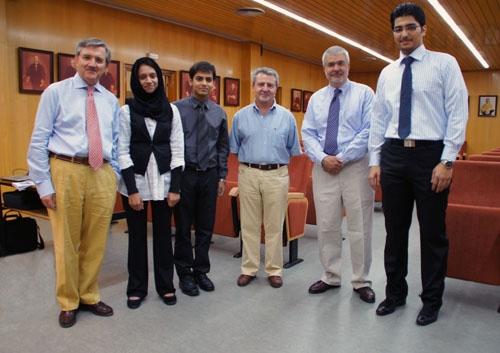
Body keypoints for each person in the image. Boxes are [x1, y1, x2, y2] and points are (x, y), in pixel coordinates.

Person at [368, 3, 468, 326]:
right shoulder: (387, 73)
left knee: (432, 233)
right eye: (398, 29)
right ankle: (395, 294)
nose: (404, 34)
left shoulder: (444, 64)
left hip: (431, 157)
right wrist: (375, 160)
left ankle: (431, 300)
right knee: (394, 230)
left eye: (411, 27)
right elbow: (378, 119)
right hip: (394, 154)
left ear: (424, 30)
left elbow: (457, 112)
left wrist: (447, 160)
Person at [27, 38, 121, 328]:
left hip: (101, 173)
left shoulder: (111, 100)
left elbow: (116, 143)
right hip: (66, 168)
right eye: (87, 57)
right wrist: (43, 184)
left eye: (99, 60)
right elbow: (39, 139)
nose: (93, 63)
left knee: (96, 241)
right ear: (75, 60)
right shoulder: (55, 92)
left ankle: (89, 294)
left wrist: (114, 176)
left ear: (106, 66)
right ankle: (68, 301)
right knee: (67, 241)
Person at [301, 46, 376, 303]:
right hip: (324, 168)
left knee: (360, 225)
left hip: (355, 166)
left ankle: (361, 280)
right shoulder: (316, 98)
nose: (336, 68)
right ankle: (331, 275)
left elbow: (369, 131)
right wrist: (323, 158)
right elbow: (308, 133)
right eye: (331, 64)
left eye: (340, 63)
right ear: (324, 68)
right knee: (327, 225)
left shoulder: (365, 94)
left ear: (348, 66)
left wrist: (341, 157)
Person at [118, 57, 184, 309]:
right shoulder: (126, 111)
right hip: (136, 183)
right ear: (136, 80)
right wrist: (132, 191)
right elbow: (122, 151)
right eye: (143, 76)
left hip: (165, 182)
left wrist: (175, 187)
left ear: (160, 78)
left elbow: (178, 149)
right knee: (136, 238)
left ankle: (166, 286)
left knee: (163, 237)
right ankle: (136, 288)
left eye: (153, 76)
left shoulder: (171, 110)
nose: (149, 80)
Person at [229, 67, 302, 288]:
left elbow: (293, 148)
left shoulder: (287, 117)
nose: (265, 88)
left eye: (270, 85)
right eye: (260, 84)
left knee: (274, 225)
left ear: (276, 88)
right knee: (249, 225)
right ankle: (249, 269)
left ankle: (274, 269)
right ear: (253, 87)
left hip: (277, 174)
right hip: (248, 173)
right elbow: (234, 147)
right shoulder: (240, 116)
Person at [173, 61, 229, 296]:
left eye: (208, 80)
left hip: (209, 174)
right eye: (200, 79)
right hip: (185, 174)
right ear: (191, 81)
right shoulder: (176, 109)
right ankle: (185, 274)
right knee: (184, 228)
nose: (204, 83)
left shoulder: (219, 112)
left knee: (206, 228)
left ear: (213, 84)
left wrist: (222, 176)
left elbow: (222, 146)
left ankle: (201, 271)